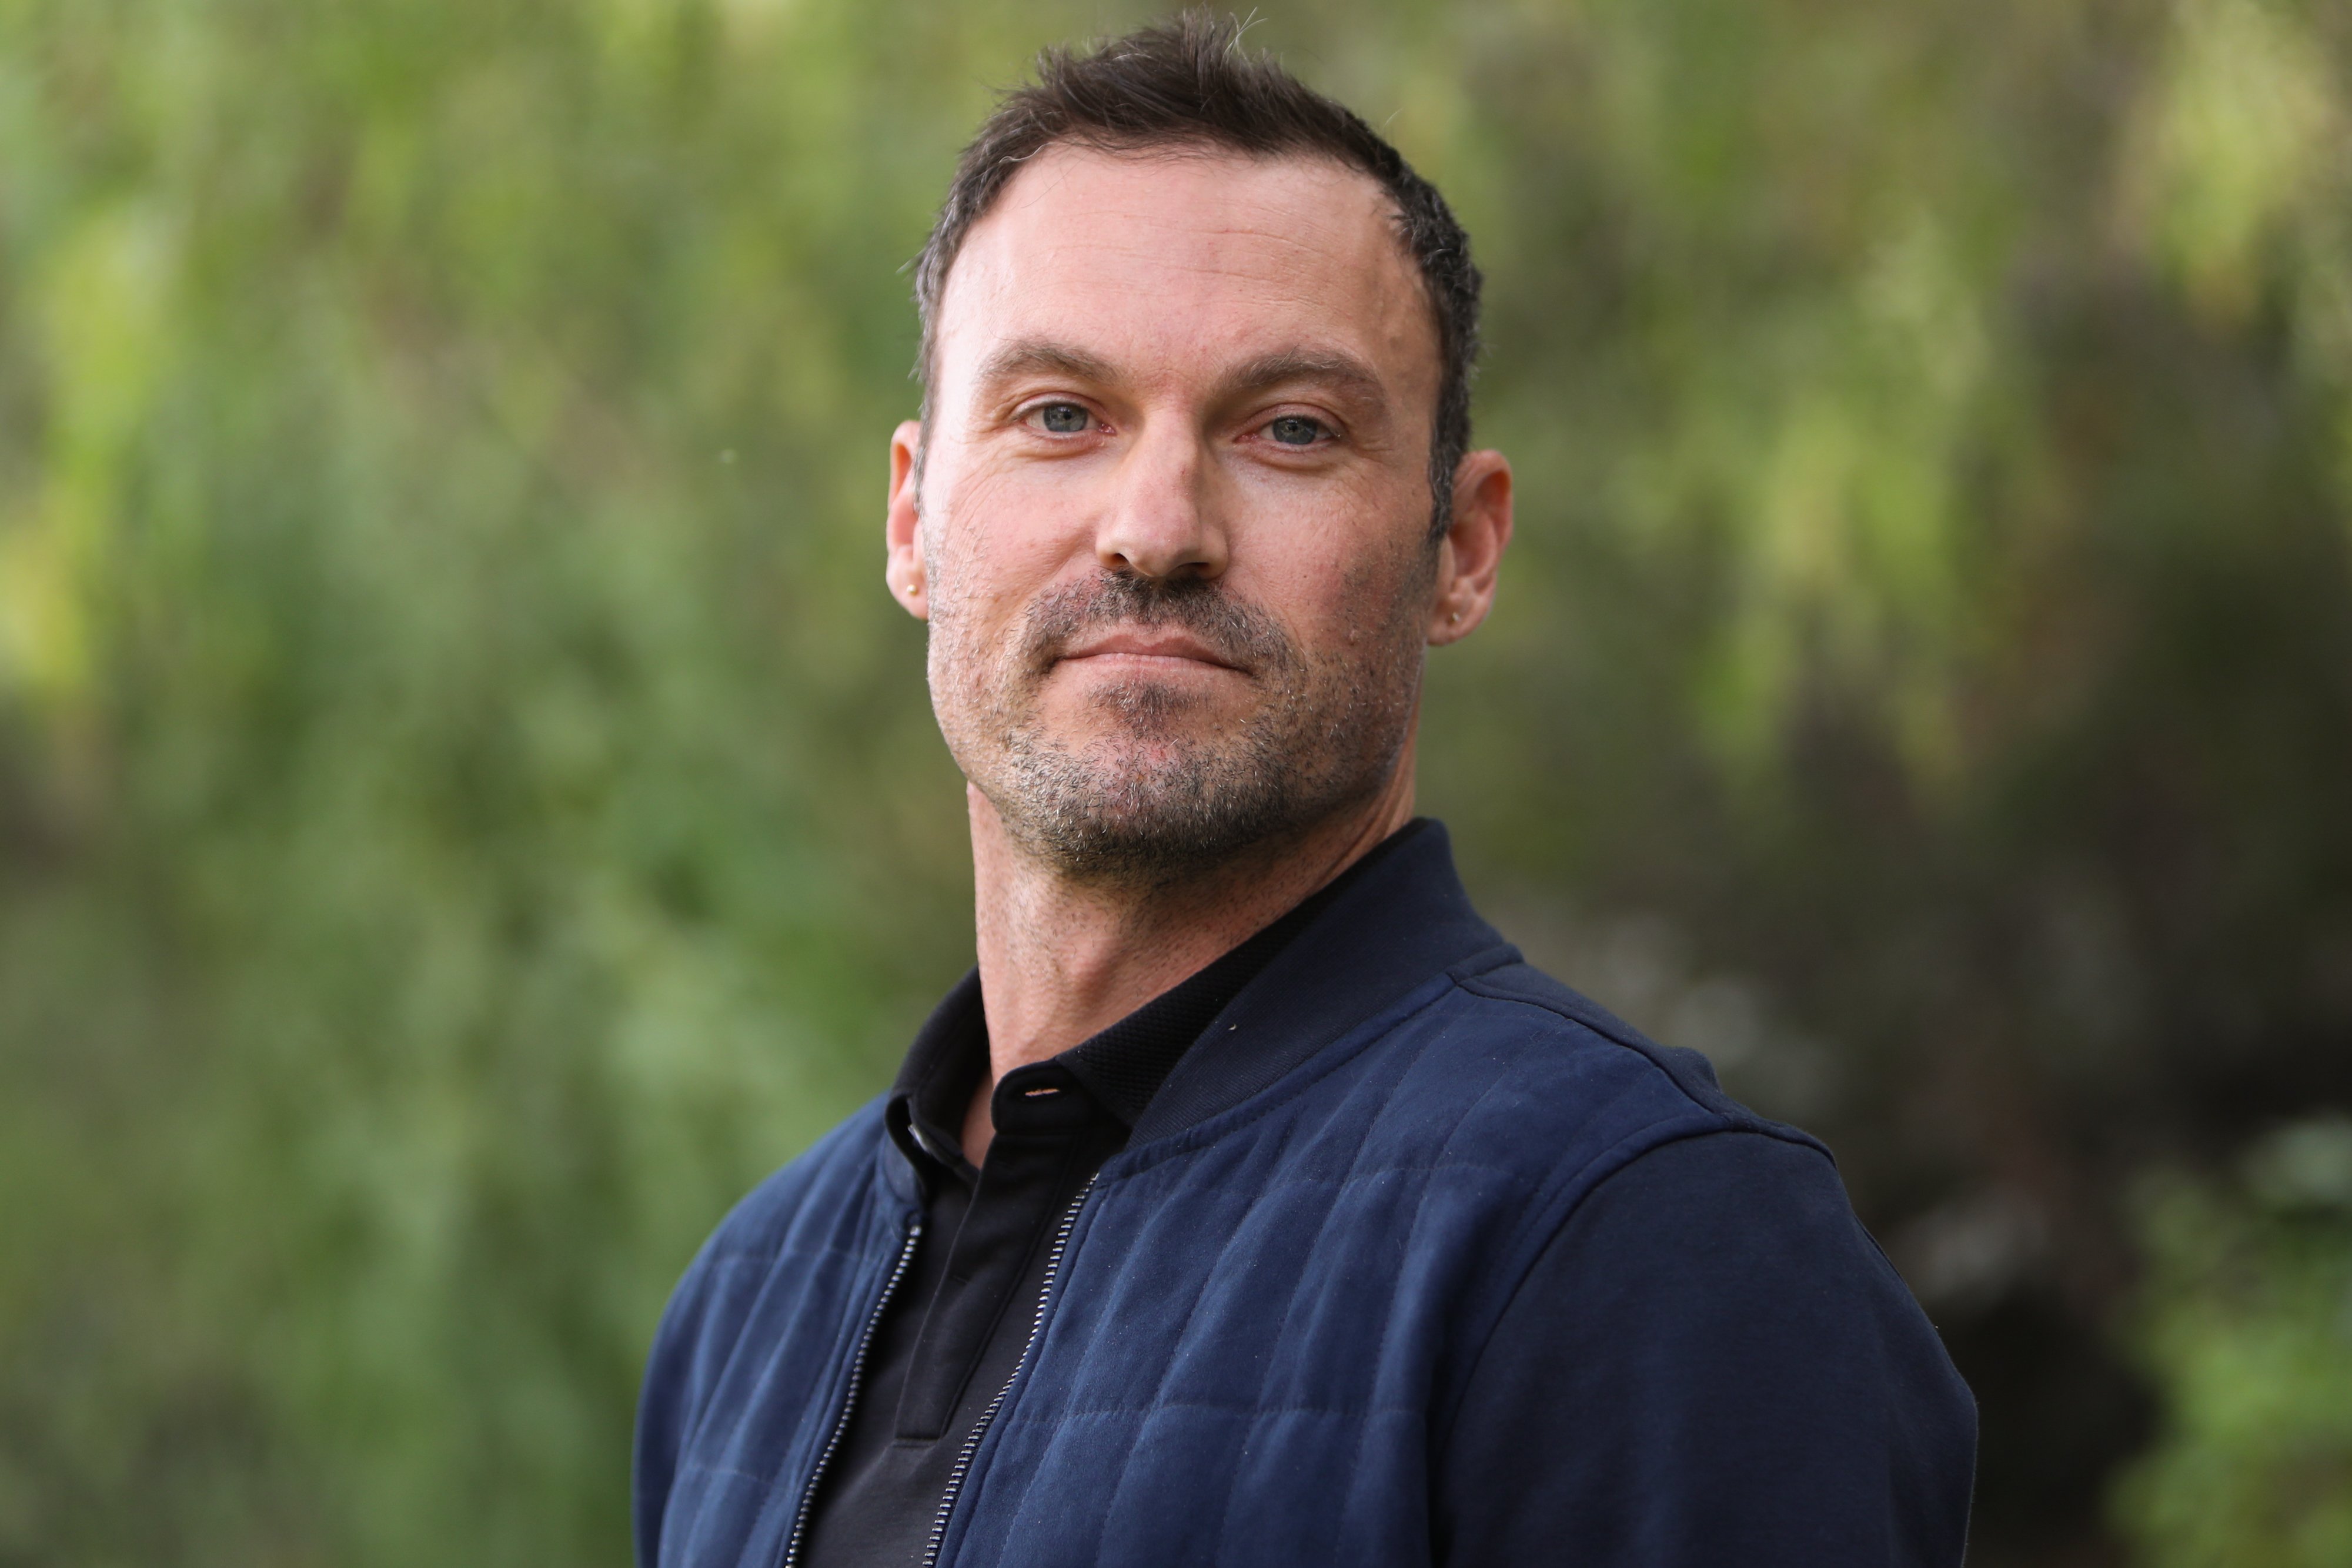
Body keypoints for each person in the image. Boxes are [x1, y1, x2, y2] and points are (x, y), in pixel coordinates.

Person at [632, 14, 1976, 1567]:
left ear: (1459, 548)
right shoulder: (751, 1308)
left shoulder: (1640, 1243)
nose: (1154, 528)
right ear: (914, 515)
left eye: (1290, 429)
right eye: (1060, 414)